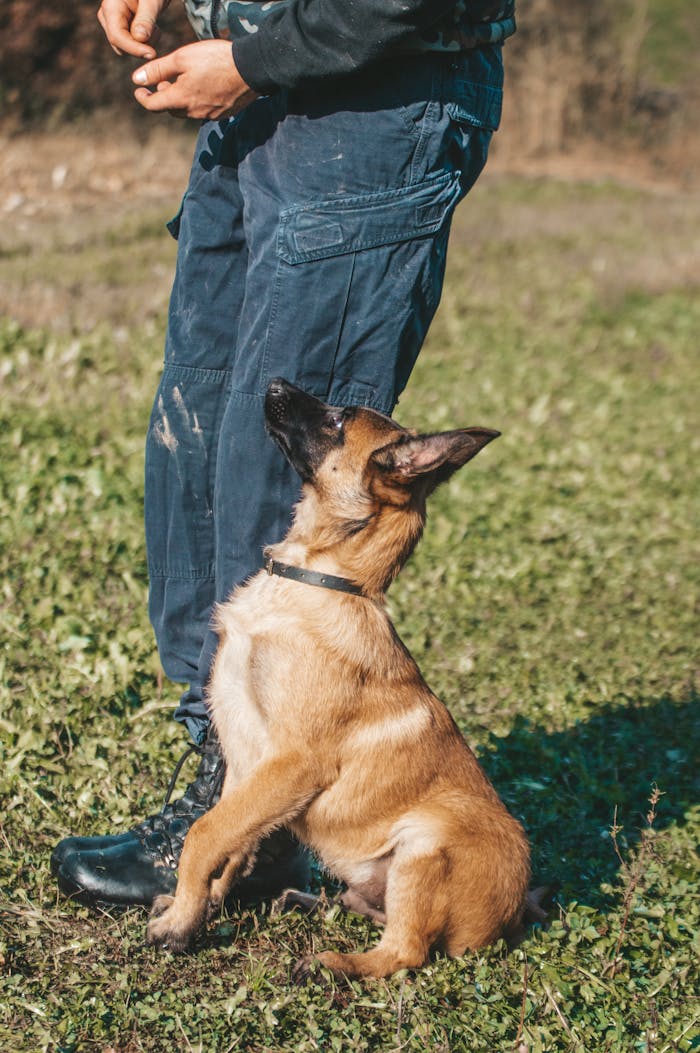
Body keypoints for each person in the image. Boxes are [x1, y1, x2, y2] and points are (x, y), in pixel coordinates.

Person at [51, 0, 515, 907]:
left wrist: (261, 54)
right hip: (261, 97)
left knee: (290, 461)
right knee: (199, 430)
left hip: (371, 99)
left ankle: (250, 820)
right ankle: (221, 760)